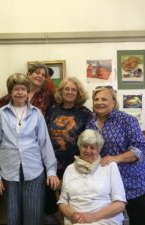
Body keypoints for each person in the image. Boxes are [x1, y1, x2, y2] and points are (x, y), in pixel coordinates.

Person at [0, 73, 60, 225]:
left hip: (34, 170)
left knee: (33, 215)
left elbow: (44, 143)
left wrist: (51, 171)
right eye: (16, 89)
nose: (20, 92)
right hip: (9, 172)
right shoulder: (1, 114)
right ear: (11, 92)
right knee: (12, 216)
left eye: (23, 89)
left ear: (28, 91)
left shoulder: (36, 114)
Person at [86, 86, 145, 225]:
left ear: (114, 103)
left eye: (104, 99)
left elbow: (140, 149)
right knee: (112, 221)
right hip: (107, 183)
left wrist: (115, 159)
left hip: (133, 181)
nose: (99, 102)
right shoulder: (90, 122)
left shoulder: (127, 120)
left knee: (141, 221)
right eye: (96, 99)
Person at [45, 77, 92, 224]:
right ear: (61, 91)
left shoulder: (85, 112)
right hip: (51, 165)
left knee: (72, 200)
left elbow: (88, 139)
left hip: (75, 166)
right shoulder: (52, 109)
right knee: (50, 202)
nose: (70, 92)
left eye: (73, 89)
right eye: (67, 89)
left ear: (78, 93)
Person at [58, 129, 126, 225]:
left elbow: (120, 204)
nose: (88, 151)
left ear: (99, 149)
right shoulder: (70, 169)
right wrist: (73, 215)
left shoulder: (110, 167)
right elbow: (63, 201)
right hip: (76, 220)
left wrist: (92, 217)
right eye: (84, 146)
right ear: (79, 147)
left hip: (105, 219)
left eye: (92, 147)